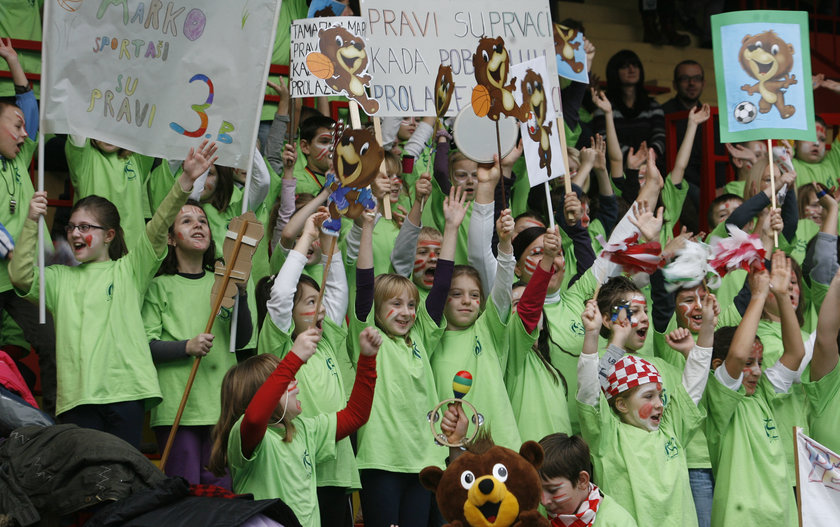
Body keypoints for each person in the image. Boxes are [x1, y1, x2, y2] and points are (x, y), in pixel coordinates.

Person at [10, 140, 218, 447]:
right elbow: (20, 276)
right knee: (87, 489)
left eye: (85, 227)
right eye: (71, 227)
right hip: (78, 398)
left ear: (109, 235)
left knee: (126, 488)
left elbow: (160, 224)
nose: (76, 233)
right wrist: (30, 221)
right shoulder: (58, 279)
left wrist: (185, 181)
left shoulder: (131, 269)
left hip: (127, 394)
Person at [352, 186, 467, 527]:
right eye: (395, 304)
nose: (406, 313)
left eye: (411, 305)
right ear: (377, 309)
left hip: (425, 459)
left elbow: (442, 284)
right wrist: (369, 228)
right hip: (382, 460)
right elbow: (363, 284)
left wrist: (451, 228)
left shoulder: (420, 335)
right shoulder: (368, 336)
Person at [577, 275, 714, 526]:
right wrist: (595, 334)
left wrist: (707, 328)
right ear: (620, 404)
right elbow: (590, 389)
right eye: (649, 396)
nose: (660, 403)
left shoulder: (672, 429)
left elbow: (694, 384)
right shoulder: (607, 436)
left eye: (659, 395)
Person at [208, 326, 379, 527]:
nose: (295, 382)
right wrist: (294, 357)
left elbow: (356, 416)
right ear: (260, 395)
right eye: (286, 381)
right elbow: (255, 418)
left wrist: (368, 359)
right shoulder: (248, 435)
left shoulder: (305, 429)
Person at [260, 208, 360, 527]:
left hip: (335, 468)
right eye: (308, 303)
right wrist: (306, 238)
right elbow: (281, 295)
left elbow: (338, 288)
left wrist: (331, 236)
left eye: (320, 301)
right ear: (289, 313)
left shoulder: (325, 339)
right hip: (297, 465)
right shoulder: (278, 346)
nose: (320, 308)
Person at [141, 199, 251, 487]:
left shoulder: (223, 282)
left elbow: (241, 339)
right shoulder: (158, 286)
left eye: (202, 220)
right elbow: (146, 346)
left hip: (221, 407)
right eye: (187, 221)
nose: (198, 225)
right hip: (178, 406)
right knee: (183, 497)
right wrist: (185, 347)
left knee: (221, 498)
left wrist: (242, 296)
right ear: (170, 238)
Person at [705, 251, 804, 527]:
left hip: (782, 516)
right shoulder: (720, 399)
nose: (758, 370)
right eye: (751, 363)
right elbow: (736, 355)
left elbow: (795, 353)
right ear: (717, 366)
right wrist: (758, 296)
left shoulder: (762, 394)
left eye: (760, 362)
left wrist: (783, 296)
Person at [0, 37, 56, 416]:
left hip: (26, 279)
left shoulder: (20, 160)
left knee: (52, 344)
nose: (24, 134)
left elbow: (29, 108)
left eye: (24, 128)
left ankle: (54, 424)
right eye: (14, 126)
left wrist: (12, 60)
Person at [538, 433, 637, 526]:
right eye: (537, 489)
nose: (544, 501)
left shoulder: (618, 522)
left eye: (552, 490)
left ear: (582, 480)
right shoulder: (537, 515)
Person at [591, 50, 665, 172]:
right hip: (616, 170)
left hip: (650, 168)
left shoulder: (653, 105)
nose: (632, 70)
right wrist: (632, 159)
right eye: (625, 66)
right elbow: (603, 139)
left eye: (635, 65)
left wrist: (650, 155)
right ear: (615, 72)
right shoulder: (604, 106)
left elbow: (661, 135)